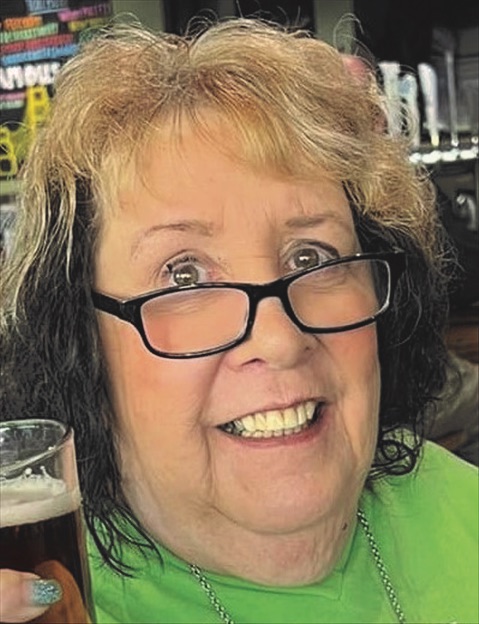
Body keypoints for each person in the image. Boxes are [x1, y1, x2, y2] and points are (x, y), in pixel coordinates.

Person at [0, 17, 477, 624]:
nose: (279, 340)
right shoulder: (55, 598)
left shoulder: (461, 506)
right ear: (81, 343)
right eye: (184, 276)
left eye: (311, 257)